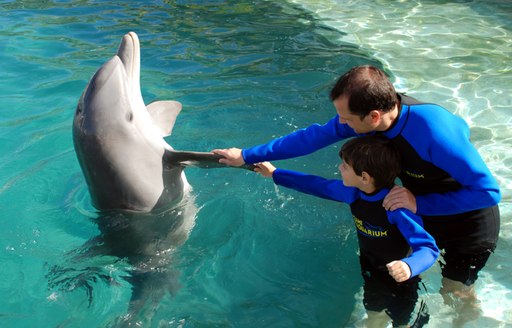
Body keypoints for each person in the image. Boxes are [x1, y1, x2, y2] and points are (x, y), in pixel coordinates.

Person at [213, 65, 501, 323]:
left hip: (468, 222)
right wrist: (248, 155)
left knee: (455, 291)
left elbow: (488, 192)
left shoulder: (435, 130)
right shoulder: (367, 118)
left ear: (374, 116)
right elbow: (310, 138)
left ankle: (468, 319)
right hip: (415, 208)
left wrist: (418, 201)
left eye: (347, 119)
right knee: (407, 275)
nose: (342, 125)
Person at [254, 135, 439, 327]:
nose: (339, 168)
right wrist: (275, 173)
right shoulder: (353, 193)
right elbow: (316, 185)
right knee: (373, 310)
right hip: (370, 268)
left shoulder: (396, 207)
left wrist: (409, 266)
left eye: (345, 166)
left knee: (402, 320)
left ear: (365, 177)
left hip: (402, 278)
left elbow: (428, 248)